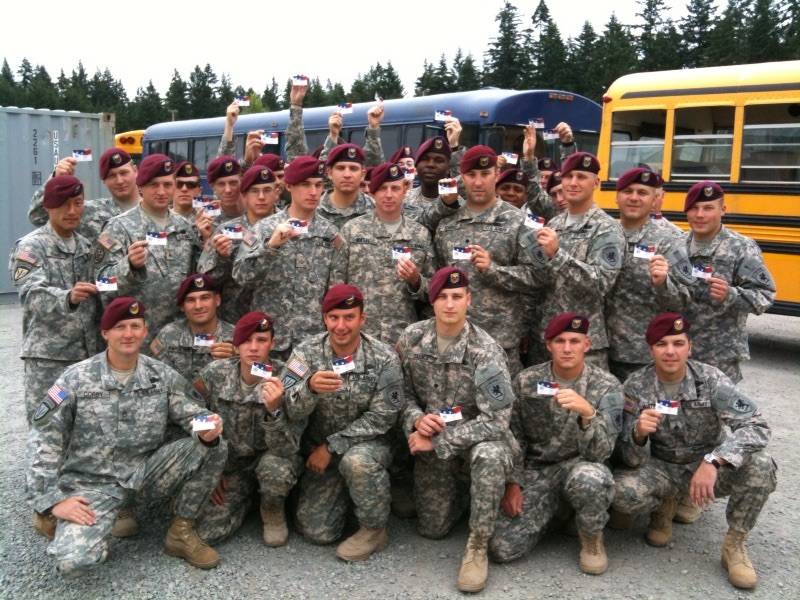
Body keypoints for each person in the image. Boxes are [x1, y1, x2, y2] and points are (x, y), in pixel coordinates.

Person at [27, 297, 227, 576]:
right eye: (120, 327)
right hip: (92, 484)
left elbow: (192, 413)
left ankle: (181, 531)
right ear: (105, 333)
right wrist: (52, 500)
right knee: (75, 563)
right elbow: (44, 438)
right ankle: (51, 518)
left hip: (144, 475)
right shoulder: (75, 378)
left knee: (214, 444)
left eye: (135, 326)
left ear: (145, 331)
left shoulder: (161, 376)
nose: (129, 333)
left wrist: (206, 427)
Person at [612, 313, 777, 590]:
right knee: (621, 493)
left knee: (761, 465)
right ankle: (664, 506)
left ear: (690, 346)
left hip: (705, 465)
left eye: (678, 343)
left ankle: (734, 545)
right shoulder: (635, 386)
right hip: (662, 467)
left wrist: (714, 461)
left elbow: (756, 425)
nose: (670, 351)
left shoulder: (711, 379)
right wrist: (638, 434)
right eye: (662, 344)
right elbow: (628, 458)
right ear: (650, 349)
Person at [396, 267, 515, 593]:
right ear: (432, 301)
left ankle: (477, 546)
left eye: (457, 296)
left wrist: (440, 441)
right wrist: (416, 418)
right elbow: (399, 395)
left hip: (478, 439)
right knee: (432, 529)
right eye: (443, 297)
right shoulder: (412, 339)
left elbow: (496, 421)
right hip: (431, 440)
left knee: (489, 455)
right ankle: (470, 496)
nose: (450, 304)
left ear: (468, 300)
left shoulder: (486, 351)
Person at [275, 285, 403, 560]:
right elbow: (288, 408)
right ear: (324, 319)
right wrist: (308, 387)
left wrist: (332, 447)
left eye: (349, 317)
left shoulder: (384, 357)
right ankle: (349, 495)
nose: (341, 326)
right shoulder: (304, 354)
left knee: (356, 463)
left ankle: (374, 529)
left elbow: (384, 417)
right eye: (334, 317)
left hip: (366, 447)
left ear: (362, 319)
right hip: (319, 453)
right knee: (317, 532)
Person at [489, 313, 623, 574]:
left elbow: (601, 453)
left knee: (590, 478)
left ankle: (592, 540)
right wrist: (512, 482)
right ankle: (560, 511)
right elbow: (514, 436)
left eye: (575, 340)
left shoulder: (607, 386)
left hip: (581, 466)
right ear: (548, 345)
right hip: (538, 471)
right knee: (501, 547)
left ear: (587, 344)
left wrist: (588, 415)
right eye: (560, 341)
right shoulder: (526, 381)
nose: (567, 348)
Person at [192, 312, 303, 547]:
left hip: (271, 459)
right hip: (231, 466)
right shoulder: (215, 373)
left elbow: (287, 448)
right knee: (207, 532)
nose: (253, 348)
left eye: (261, 341)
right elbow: (192, 416)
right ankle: (247, 500)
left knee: (276, 469)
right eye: (246, 340)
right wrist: (210, 468)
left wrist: (274, 411)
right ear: (236, 344)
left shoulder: (289, 378)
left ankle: (272, 508)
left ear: (272, 344)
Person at [232, 156, 341, 370]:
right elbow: (241, 276)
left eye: (318, 185)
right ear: (288, 186)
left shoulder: (330, 234)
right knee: (267, 397)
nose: (313, 192)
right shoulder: (264, 229)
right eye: (305, 184)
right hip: (268, 341)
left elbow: (335, 290)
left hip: (311, 342)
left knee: (306, 395)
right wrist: (271, 247)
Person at [434, 145, 535, 376]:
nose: (478, 182)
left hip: (501, 341)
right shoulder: (446, 225)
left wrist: (494, 270)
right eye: (471, 175)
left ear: (497, 175)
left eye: (485, 174)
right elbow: (436, 281)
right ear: (462, 177)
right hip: (454, 341)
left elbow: (537, 276)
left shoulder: (518, 222)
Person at [10, 175, 98, 423]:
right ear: (47, 206)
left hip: (87, 357)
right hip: (50, 361)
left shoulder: (87, 247)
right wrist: (67, 297)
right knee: (49, 426)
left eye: (78, 203)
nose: (72, 211)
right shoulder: (30, 247)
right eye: (63, 204)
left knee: (86, 429)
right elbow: (31, 295)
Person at [524, 152, 625, 369]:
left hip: (583, 344)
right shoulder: (555, 224)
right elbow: (538, 281)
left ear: (596, 182)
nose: (573, 183)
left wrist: (558, 255)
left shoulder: (606, 228)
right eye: (568, 177)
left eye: (581, 177)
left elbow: (602, 283)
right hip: (546, 341)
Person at [95, 154, 203, 345]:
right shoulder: (118, 227)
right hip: (134, 338)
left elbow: (196, 278)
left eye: (167, 185)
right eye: (154, 185)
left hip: (177, 338)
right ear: (140, 186)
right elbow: (102, 285)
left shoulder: (185, 227)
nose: (161, 191)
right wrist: (129, 266)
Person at [331, 162, 434, 345]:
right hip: (358, 335)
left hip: (403, 337)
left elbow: (434, 291)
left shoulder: (420, 235)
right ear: (372, 191)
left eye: (395, 188)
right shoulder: (352, 230)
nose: (388, 195)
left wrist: (416, 280)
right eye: (382, 188)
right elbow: (336, 285)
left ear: (405, 190)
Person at [605, 167, 693, 382]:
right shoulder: (603, 232)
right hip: (599, 348)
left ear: (655, 200)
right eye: (628, 191)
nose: (634, 198)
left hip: (641, 354)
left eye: (642, 193)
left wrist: (664, 283)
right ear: (617, 197)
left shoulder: (671, 240)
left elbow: (686, 299)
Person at [683, 181, 775, 383]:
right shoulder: (677, 245)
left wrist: (731, 294)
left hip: (720, 355)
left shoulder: (741, 247)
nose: (700, 215)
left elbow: (765, 295)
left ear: (722, 210)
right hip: (677, 351)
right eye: (694, 208)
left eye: (708, 208)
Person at [198, 165, 281, 322]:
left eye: (267, 190)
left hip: (280, 322)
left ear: (276, 193)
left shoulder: (287, 228)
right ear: (244, 195)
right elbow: (205, 280)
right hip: (235, 321)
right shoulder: (226, 230)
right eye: (255, 191)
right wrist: (221, 258)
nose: (261, 197)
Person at [29, 148, 141, 242]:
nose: (119, 181)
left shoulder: (153, 208)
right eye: (111, 176)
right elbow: (37, 216)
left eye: (124, 173)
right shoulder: (91, 212)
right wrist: (55, 178)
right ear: (103, 180)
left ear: (135, 171)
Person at [149, 273, 235, 381]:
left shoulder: (237, 337)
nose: (198, 306)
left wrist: (239, 357)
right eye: (190, 300)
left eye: (205, 298)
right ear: (182, 306)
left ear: (217, 300)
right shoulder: (169, 334)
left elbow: (261, 373)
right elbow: (154, 375)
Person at [207, 155, 244, 224]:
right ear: (212, 186)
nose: (228, 190)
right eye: (221, 184)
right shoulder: (209, 218)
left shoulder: (256, 207)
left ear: (241, 181)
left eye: (233, 183)